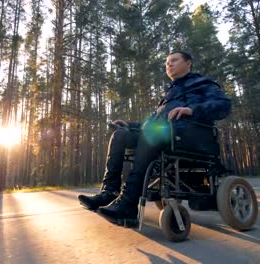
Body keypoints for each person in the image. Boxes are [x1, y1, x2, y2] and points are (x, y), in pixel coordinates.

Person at [78, 50, 232, 226]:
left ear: (188, 63)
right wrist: (130, 125)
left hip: (190, 136)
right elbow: (152, 122)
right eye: (167, 62)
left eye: (174, 60)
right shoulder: (168, 95)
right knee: (121, 135)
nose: (169, 64)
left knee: (152, 133)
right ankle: (109, 192)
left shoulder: (203, 84)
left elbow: (223, 106)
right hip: (163, 134)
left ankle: (128, 204)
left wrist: (192, 110)